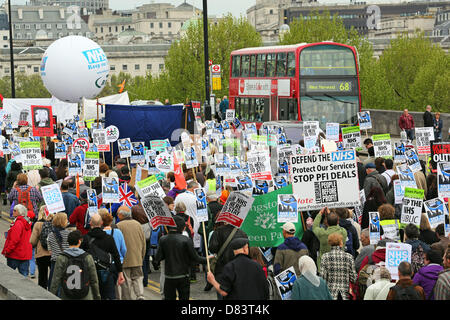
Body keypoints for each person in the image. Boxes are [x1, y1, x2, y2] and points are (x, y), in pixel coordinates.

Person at [155, 215, 207, 300]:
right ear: (182, 228)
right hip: (183, 276)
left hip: (169, 276)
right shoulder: (186, 240)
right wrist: (208, 259)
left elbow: (157, 258)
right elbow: (195, 258)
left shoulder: (163, 240)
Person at [80, 214, 125, 300]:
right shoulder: (109, 238)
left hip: (90, 272)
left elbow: (82, 256)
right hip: (106, 272)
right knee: (107, 296)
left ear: (90, 223)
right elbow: (116, 255)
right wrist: (120, 272)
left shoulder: (85, 238)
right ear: (101, 223)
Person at [49, 230, 101, 300]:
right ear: (80, 241)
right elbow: (94, 280)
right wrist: (97, 296)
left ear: (68, 241)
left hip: (66, 294)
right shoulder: (87, 257)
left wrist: (51, 295)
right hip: (85, 294)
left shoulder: (62, 257)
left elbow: (55, 279)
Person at [116, 206, 146, 300]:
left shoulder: (119, 226)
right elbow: (143, 242)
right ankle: (140, 295)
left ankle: (127, 297)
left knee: (126, 281)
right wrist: (142, 256)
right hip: (137, 257)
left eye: (118, 213)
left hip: (125, 259)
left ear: (121, 215)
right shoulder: (138, 224)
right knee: (138, 278)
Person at [174, 181, 202, 273]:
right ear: (193, 188)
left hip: (181, 224)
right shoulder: (196, 198)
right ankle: (195, 266)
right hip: (194, 224)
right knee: (194, 246)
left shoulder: (178, 196)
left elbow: (175, 211)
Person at [320, 232, 357, 300]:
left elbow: (322, 278)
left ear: (329, 243)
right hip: (345, 294)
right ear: (341, 243)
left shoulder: (325, 257)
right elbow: (354, 278)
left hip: (330, 294)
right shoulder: (349, 257)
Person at [1, 204, 33, 277]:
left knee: (10, 276)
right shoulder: (27, 222)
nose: (13, 211)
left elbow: (14, 240)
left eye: (15, 210)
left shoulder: (18, 223)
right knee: (24, 277)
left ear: (20, 212)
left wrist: (7, 250)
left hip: (15, 254)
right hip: (25, 254)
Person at [312, 207, 347, 271]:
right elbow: (337, 226)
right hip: (340, 265)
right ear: (338, 221)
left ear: (326, 222)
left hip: (324, 266)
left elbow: (314, 227)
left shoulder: (322, 233)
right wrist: (331, 215)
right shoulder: (343, 232)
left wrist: (320, 214)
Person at [29, 206, 53, 289]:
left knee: (42, 276)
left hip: (41, 253)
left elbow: (32, 241)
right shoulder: (55, 223)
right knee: (53, 275)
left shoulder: (38, 224)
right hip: (53, 253)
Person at [47, 212, 71, 289]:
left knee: (54, 286)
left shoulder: (50, 235)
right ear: (63, 221)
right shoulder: (69, 234)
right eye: (66, 219)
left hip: (55, 263)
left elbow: (50, 251)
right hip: (67, 262)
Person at [130, 202, 152, 288]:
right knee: (146, 256)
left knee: (140, 258)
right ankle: (146, 278)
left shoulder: (134, 208)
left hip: (138, 233)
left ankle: (143, 279)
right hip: (147, 233)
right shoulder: (148, 207)